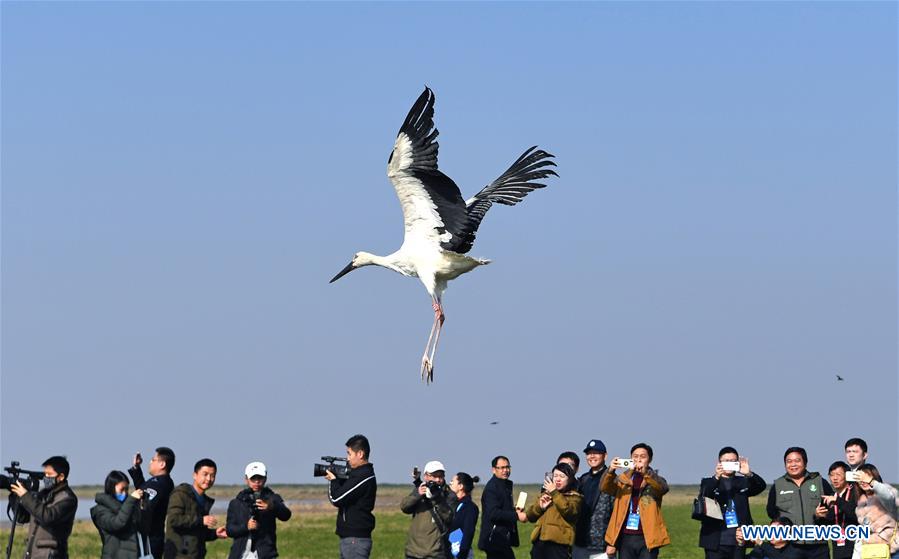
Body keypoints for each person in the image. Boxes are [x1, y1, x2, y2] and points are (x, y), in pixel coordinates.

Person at [602, 443, 671, 559]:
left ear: (650, 460)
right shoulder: (623, 479)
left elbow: (663, 488)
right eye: (635, 456)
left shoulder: (655, 480)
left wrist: (646, 474)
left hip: (647, 538)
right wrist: (610, 471)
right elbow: (605, 487)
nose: (638, 459)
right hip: (625, 537)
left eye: (642, 457)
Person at [696, 447, 767, 559]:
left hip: (739, 539)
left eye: (733, 461)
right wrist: (716, 477)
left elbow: (761, 486)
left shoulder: (743, 482)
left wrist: (749, 474)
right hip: (715, 540)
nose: (729, 464)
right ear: (719, 463)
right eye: (726, 461)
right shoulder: (709, 482)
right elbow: (705, 494)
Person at [766, 447, 832, 559]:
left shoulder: (819, 481)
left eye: (797, 460)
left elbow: (833, 508)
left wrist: (823, 516)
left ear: (805, 462)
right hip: (790, 546)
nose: (793, 465)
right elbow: (771, 512)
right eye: (789, 461)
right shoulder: (778, 485)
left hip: (818, 545)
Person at [10, 456, 78, 559]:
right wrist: (14, 496)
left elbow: (47, 516)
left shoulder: (68, 499)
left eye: (49, 475)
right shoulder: (43, 495)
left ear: (61, 477)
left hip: (52, 555)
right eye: (44, 474)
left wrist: (25, 495)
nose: (45, 477)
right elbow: (22, 518)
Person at [326, 434, 378, 559]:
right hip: (352, 540)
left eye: (349, 454)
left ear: (360, 454)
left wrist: (333, 480)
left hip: (355, 541)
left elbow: (336, 499)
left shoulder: (363, 477)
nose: (347, 458)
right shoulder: (357, 475)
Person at [225, 462, 292, 559]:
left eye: (260, 478)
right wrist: (246, 527)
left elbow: (286, 515)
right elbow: (229, 530)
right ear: (246, 480)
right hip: (240, 554)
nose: (256, 482)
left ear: (265, 479)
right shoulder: (236, 502)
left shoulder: (273, 498)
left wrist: (271, 507)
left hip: (265, 553)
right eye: (253, 479)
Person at [164, 458, 227, 558]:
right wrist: (201, 520)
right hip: (178, 555)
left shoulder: (204, 500)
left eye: (213, 476)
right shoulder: (180, 494)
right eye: (205, 474)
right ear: (195, 475)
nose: (209, 479)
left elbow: (197, 531)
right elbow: (173, 520)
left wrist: (215, 533)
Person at [518, 462, 583, 559]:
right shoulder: (546, 494)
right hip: (539, 544)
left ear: (569, 479)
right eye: (555, 475)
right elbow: (531, 516)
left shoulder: (575, 497)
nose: (558, 479)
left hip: (559, 547)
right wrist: (541, 507)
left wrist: (554, 493)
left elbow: (569, 512)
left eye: (562, 476)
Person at [401, 460, 454, 559]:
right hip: (413, 551)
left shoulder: (449, 494)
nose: (438, 480)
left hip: (435, 552)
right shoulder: (420, 490)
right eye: (434, 476)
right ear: (426, 476)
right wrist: (418, 494)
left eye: (441, 476)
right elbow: (404, 507)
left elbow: (449, 517)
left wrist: (436, 498)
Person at [129, 447, 176, 559]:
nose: (150, 462)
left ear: (162, 464)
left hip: (150, 540)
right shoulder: (158, 481)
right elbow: (143, 489)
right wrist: (136, 468)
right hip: (151, 538)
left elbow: (145, 504)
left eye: (153, 460)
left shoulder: (161, 483)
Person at [573, 439, 614, 559]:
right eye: (589, 453)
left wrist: (613, 542)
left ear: (605, 456)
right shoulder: (583, 480)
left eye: (596, 453)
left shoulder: (613, 480)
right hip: (580, 542)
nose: (592, 456)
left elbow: (617, 514)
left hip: (601, 544)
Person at [846, 464, 898, 559]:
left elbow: (887, 496)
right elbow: (861, 536)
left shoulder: (886, 493)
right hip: (869, 552)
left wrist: (871, 482)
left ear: (874, 476)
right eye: (860, 478)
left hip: (891, 552)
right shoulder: (861, 502)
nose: (863, 481)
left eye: (866, 476)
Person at [91, 470, 145, 559]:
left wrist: (140, 508)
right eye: (122, 489)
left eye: (127, 489)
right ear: (111, 488)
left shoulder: (128, 506)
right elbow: (117, 524)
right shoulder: (100, 510)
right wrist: (131, 500)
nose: (125, 493)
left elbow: (142, 527)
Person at [478, 456, 520, 559]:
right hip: (494, 539)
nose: (505, 470)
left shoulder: (505, 485)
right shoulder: (492, 488)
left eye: (507, 467)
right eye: (501, 468)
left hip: (502, 539)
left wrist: (515, 510)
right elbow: (493, 513)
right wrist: (516, 515)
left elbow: (503, 509)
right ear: (493, 470)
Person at [820, 461, 857, 559]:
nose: (834, 478)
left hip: (857, 548)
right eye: (831, 475)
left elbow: (856, 515)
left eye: (838, 474)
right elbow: (825, 526)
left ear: (847, 476)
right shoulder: (829, 498)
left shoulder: (855, 493)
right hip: (837, 549)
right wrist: (818, 516)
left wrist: (838, 501)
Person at [446, 472, 480, 559]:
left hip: (461, 554)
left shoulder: (470, 507)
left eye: (452, 481)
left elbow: (468, 534)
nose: (450, 483)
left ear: (461, 486)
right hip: (451, 552)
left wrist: (462, 555)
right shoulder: (456, 504)